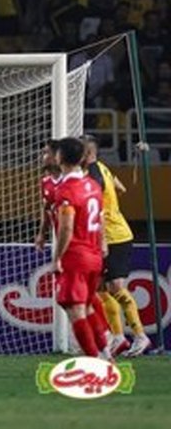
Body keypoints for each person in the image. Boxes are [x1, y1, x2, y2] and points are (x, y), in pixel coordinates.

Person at [83, 135, 151, 357]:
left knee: (115, 288)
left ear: (87, 153)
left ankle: (140, 336)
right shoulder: (103, 169)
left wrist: (102, 238)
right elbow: (121, 188)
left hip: (113, 237)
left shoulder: (93, 175)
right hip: (109, 234)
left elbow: (99, 211)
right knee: (101, 289)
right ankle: (119, 337)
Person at [51, 137, 106, 357]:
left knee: (75, 308)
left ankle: (96, 360)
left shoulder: (66, 190)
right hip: (94, 255)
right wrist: (102, 245)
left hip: (76, 256)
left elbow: (66, 227)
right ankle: (106, 352)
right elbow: (101, 219)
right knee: (88, 305)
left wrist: (57, 257)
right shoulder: (92, 185)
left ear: (60, 157)